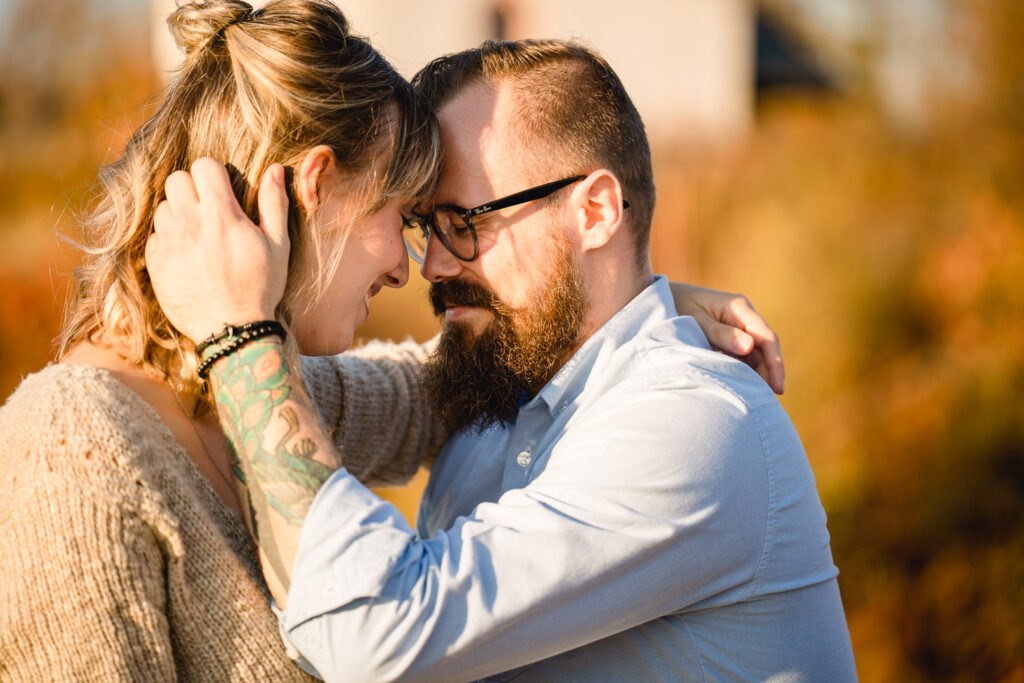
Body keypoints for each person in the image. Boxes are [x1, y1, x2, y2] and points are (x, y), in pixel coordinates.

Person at [146, 38, 857, 682]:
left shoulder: (696, 425)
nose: (431, 267)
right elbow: (342, 402)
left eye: (464, 223)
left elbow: (373, 630)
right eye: (425, 226)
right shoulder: (501, 389)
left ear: (598, 211)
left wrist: (242, 337)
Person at [0, 0, 448, 678]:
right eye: (399, 216)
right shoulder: (70, 445)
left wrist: (644, 307)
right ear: (317, 185)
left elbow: (438, 393)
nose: (402, 267)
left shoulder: (259, 387)